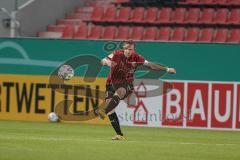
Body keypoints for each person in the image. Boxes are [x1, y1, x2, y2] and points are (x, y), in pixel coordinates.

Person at [99, 40, 176, 140]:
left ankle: (103, 111)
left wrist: (167, 69)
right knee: (111, 110)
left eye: (130, 49)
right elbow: (102, 61)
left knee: (119, 94)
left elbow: (151, 65)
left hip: (126, 84)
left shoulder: (137, 57)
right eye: (126, 49)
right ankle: (119, 135)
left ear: (133, 50)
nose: (128, 51)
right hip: (111, 84)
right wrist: (108, 63)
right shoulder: (116, 54)